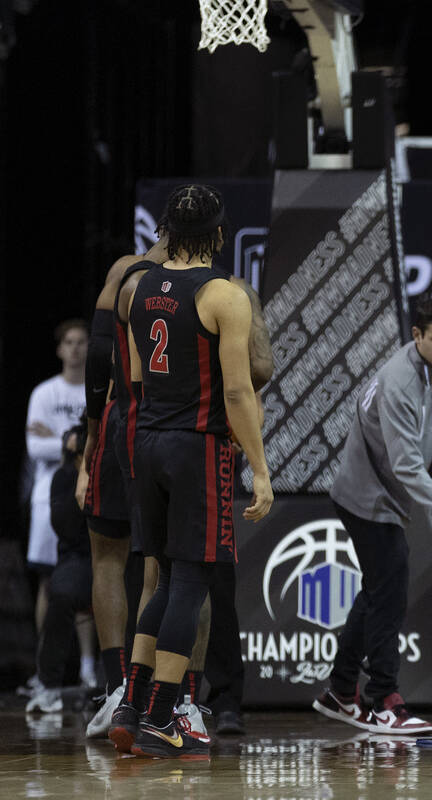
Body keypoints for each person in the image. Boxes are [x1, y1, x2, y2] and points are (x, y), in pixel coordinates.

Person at [110, 184, 272, 760]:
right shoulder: (224, 294)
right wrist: (259, 468)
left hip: (145, 438)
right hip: (195, 445)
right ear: (220, 233)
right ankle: (160, 717)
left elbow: (133, 380)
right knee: (190, 584)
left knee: (160, 575)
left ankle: (132, 703)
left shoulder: (136, 286)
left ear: (165, 233)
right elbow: (236, 389)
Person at [312, 297, 432, 736]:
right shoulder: (399, 381)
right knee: (389, 597)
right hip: (366, 498)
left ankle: (339, 692)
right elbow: (406, 465)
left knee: (377, 592)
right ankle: (383, 702)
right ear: (416, 335)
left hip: (386, 497)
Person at [78, 241, 170, 738]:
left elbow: (97, 358)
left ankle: (119, 690)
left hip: (120, 420)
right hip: (170, 429)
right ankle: (146, 694)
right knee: (163, 563)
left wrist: (92, 435)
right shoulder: (213, 283)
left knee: (109, 557)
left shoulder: (126, 271)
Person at [25, 421, 94, 713]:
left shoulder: (112, 473)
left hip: (114, 553)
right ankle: (49, 684)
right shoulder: (63, 478)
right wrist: (82, 478)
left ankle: (123, 684)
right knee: (61, 592)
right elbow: (66, 526)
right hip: (77, 556)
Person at [25, 319, 89, 638]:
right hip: (47, 497)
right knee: (48, 581)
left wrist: (60, 438)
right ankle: (43, 670)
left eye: (81, 342)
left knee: (87, 578)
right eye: (70, 342)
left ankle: (90, 668)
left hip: (87, 492)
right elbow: (35, 447)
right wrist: (73, 441)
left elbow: (99, 444)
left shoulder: (97, 391)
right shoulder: (43, 393)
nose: (75, 348)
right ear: (60, 349)